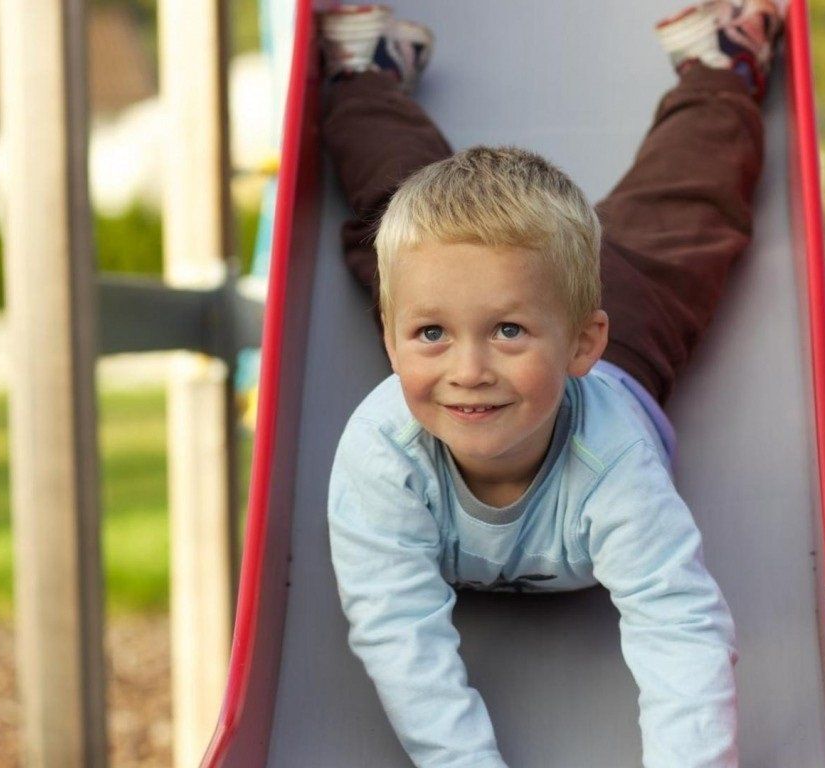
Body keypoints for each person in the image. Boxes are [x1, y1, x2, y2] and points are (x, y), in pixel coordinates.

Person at [321, 2, 782, 766]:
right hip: (475, 301)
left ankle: (718, 68)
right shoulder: (383, 454)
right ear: (389, 336)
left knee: (684, 219)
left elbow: (678, 623)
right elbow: (397, 631)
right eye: (429, 335)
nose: (469, 371)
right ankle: (365, 77)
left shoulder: (612, 458)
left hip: (622, 330)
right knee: (394, 214)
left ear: (580, 344)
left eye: (508, 333)